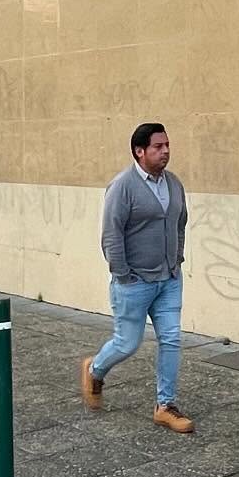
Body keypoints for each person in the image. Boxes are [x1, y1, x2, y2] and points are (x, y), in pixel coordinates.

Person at [80, 123, 193, 433]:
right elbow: (111, 234)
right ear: (139, 151)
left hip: (169, 279)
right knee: (127, 343)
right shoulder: (123, 186)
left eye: (167, 145)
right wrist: (123, 275)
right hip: (135, 282)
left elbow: (180, 223)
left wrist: (176, 259)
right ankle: (95, 369)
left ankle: (165, 405)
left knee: (171, 339)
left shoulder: (174, 184)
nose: (165, 151)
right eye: (158, 146)